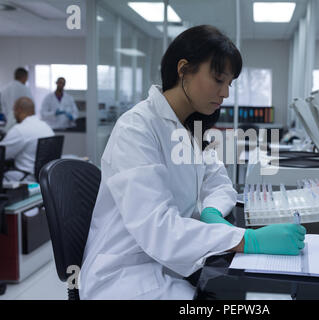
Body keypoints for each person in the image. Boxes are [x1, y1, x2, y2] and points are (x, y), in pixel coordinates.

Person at [80, 25, 306, 300]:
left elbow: (220, 183)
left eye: (229, 84)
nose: (225, 94)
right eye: (218, 80)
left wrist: (211, 212)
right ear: (184, 70)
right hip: (128, 274)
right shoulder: (136, 128)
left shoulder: (191, 129)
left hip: (172, 264)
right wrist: (246, 240)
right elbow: (158, 228)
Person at [0, 97, 54, 182]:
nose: (14, 114)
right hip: (44, 177)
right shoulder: (46, 126)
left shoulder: (20, 129)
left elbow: (2, 154)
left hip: (26, 177)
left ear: (19, 110)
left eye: (14, 111)